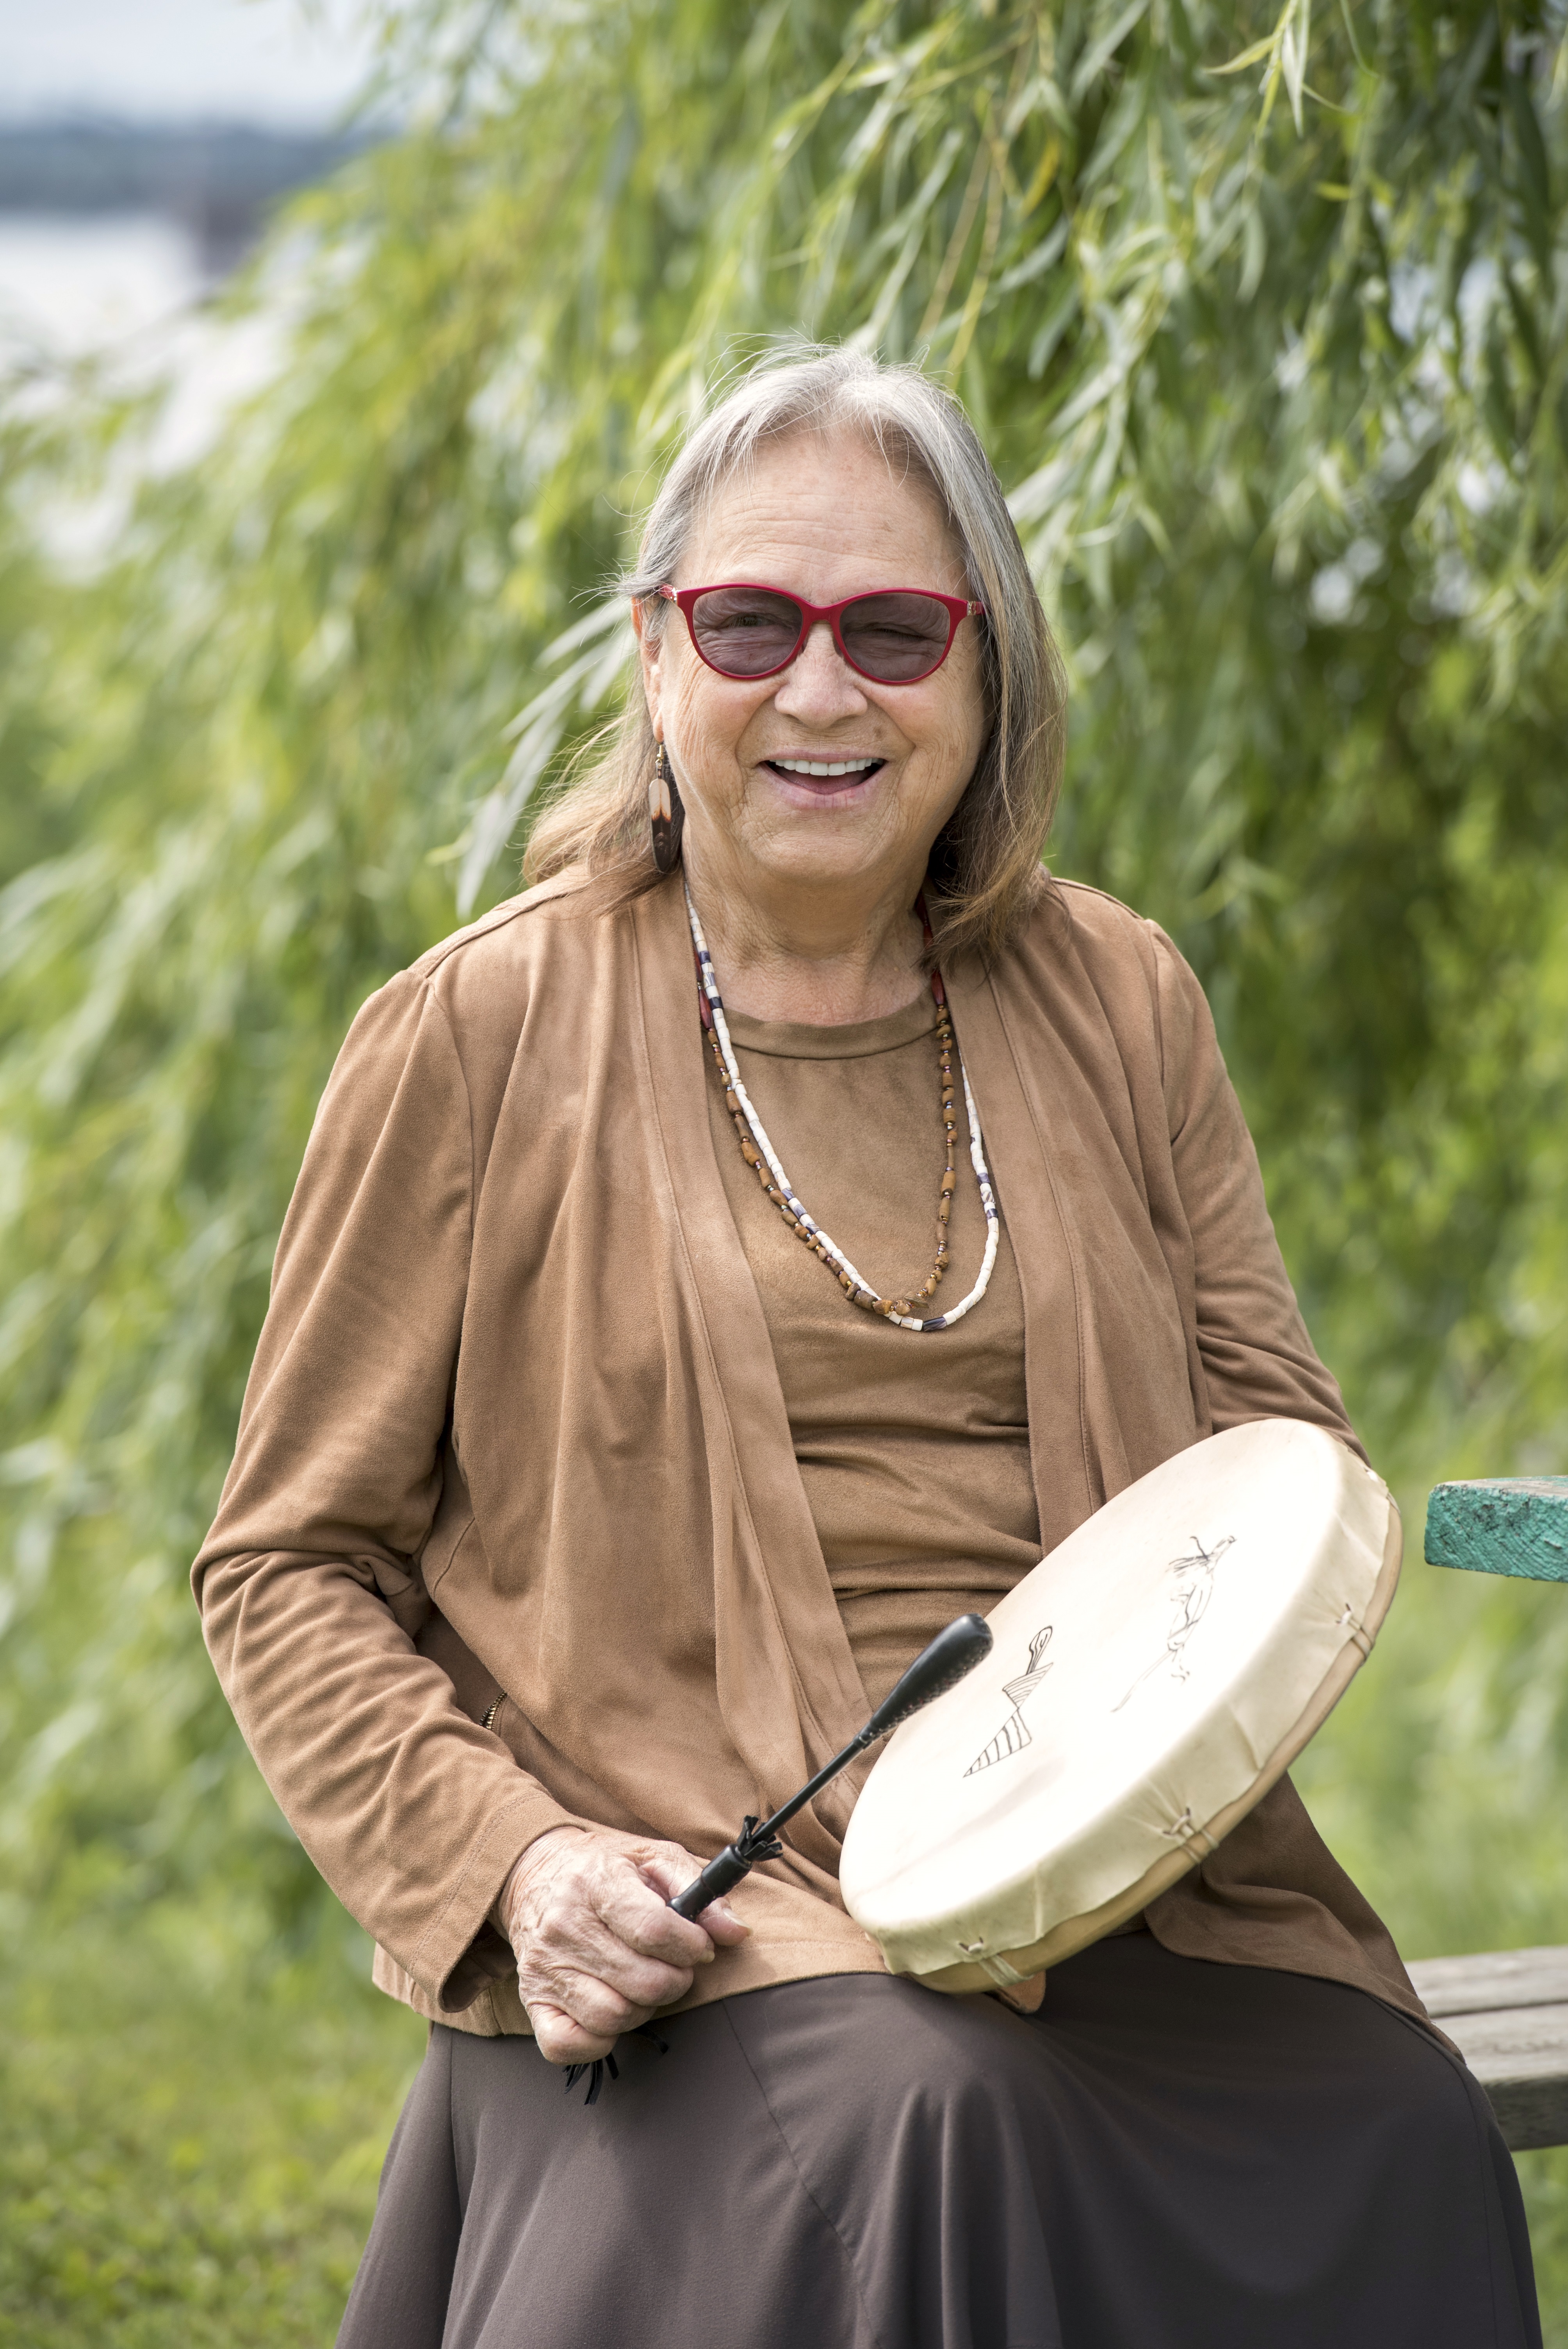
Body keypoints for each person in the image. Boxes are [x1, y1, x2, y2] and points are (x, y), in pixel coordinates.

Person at [192, 348, 1540, 2349]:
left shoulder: (1118, 1000)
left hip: (1097, 1885)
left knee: (1392, 2116)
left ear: (983, 674)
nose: (819, 690)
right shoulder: (471, 1038)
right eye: (751, 621)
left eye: (893, 629)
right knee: (938, 2111)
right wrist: (524, 1866)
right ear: (658, 658)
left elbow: (1277, 1444)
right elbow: (284, 1572)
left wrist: (1108, 1772)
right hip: (710, 1916)